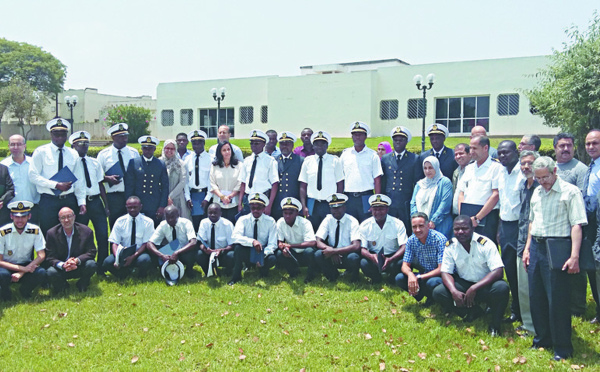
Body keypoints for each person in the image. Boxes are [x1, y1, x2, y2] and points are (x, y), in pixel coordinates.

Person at [523, 156, 587, 361]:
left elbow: (577, 224)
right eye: (539, 178)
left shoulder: (570, 192)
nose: (543, 181)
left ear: (555, 171)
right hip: (536, 247)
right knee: (537, 297)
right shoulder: (537, 192)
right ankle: (542, 339)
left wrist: (574, 256)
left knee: (557, 301)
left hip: (558, 248)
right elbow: (532, 222)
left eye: (546, 177)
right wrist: (527, 249)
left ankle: (562, 347)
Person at [432, 216, 509, 336]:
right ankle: (472, 312)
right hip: (465, 283)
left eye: (464, 228)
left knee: (502, 288)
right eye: (457, 229)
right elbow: (445, 272)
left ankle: (495, 324)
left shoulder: (485, 244)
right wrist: (454, 292)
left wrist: (475, 288)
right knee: (439, 292)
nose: (460, 232)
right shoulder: (450, 246)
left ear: (472, 228)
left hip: (485, 284)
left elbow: (498, 271)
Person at [29, 118, 86, 236]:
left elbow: (79, 180)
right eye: (56, 134)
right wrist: (55, 185)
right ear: (51, 134)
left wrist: (81, 202)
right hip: (49, 200)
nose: (59, 137)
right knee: (48, 233)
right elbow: (33, 176)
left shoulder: (73, 153)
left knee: (70, 234)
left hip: (69, 199)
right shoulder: (41, 152)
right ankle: (50, 255)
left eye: (63, 134)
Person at [69, 131, 110, 273]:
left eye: (86, 143)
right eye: (81, 144)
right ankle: (79, 266)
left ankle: (102, 266)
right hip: (79, 203)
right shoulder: (71, 164)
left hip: (95, 202)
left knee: (103, 234)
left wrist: (106, 205)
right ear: (73, 145)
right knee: (80, 236)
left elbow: (100, 184)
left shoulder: (94, 162)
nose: (84, 146)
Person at [496, 140, 523, 324]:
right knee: (510, 271)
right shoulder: (501, 173)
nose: (503, 156)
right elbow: (502, 204)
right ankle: (516, 310)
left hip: (520, 227)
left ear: (516, 152)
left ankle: (527, 311)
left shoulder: (523, 173)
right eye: (500, 153)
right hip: (505, 227)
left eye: (506, 152)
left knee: (523, 272)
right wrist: (499, 228)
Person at [457, 135, 502, 242]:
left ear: (485, 148)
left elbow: (495, 195)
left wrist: (477, 218)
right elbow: (461, 193)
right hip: (468, 216)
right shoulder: (469, 168)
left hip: (487, 217)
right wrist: (463, 217)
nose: (471, 151)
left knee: (486, 250)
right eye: (470, 148)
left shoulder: (495, 167)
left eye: (475, 148)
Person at [395, 212, 446, 304]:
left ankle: (434, 298)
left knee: (432, 282)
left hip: (441, 276)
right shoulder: (411, 240)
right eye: (414, 227)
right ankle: (422, 294)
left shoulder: (439, 239)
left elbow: (441, 269)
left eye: (421, 226)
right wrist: (411, 275)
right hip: (424, 274)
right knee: (400, 278)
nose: (417, 230)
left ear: (428, 225)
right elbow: (405, 265)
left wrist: (418, 277)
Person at [96, 123, 140, 228]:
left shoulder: (133, 153)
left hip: (131, 194)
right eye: (121, 137)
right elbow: (96, 177)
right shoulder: (103, 155)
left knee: (133, 226)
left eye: (125, 136)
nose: (124, 139)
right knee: (115, 226)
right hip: (114, 196)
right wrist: (107, 178)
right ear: (113, 137)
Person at [228, 193, 277, 285]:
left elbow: (273, 244)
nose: (255, 211)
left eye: (258, 208)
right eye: (253, 208)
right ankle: (236, 277)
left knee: (272, 259)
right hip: (248, 250)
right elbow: (235, 237)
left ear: (264, 208)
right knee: (238, 248)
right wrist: (252, 241)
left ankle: (262, 271)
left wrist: (262, 256)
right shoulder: (243, 219)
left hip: (263, 251)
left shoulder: (270, 221)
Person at [0, 201, 46, 300]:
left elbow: (41, 255)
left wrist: (24, 271)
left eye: (23, 216)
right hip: (7, 265)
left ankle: (25, 290)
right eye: (16, 217)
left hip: (26, 264)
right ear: (11, 216)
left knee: (41, 273)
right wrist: (22, 269)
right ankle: (5, 292)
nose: (20, 220)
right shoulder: (3, 232)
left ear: (29, 216)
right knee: (2, 275)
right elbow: (0, 261)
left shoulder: (35, 230)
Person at [45, 207, 97, 293]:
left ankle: (82, 283)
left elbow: (91, 251)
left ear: (74, 217)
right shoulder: (51, 233)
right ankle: (62, 286)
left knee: (91, 264)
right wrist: (63, 265)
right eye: (63, 217)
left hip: (78, 266)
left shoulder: (86, 231)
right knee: (51, 272)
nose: (66, 220)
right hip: (62, 268)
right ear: (59, 219)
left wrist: (76, 261)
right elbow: (50, 257)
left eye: (69, 216)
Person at [298, 131, 344, 230]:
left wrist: (337, 203)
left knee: (329, 231)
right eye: (317, 144)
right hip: (312, 203)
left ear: (327, 146)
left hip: (329, 203)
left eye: (323, 144)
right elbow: (303, 185)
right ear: (313, 146)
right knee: (312, 230)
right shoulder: (308, 161)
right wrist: (304, 205)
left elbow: (340, 184)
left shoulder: (335, 161)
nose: (320, 147)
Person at [515, 150, 539, 335]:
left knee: (534, 288)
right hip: (521, 241)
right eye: (523, 163)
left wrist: (528, 248)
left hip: (535, 245)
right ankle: (528, 324)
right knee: (523, 287)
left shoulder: (541, 187)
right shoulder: (524, 185)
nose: (526, 167)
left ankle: (536, 326)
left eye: (530, 163)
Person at [359, 194, 407, 284]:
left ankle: (391, 279)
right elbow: (362, 249)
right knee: (364, 263)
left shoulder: (398, 223)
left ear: (387, 209)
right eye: (375, 209)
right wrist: (371, 256)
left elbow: (404, 246)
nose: (378, 212)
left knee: (402, 263)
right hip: (374, 256)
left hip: (393, 256)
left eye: (381, 209)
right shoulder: (365, 225)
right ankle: (376, 279)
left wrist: (391, 258)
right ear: (371, 209)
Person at [102, 196, 154, 279]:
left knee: (145, 260)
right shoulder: (120, 221)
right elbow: (114, 243)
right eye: (129, 207)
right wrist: (117, 258)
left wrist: (133, 257)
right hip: (123, 253)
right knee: (107, 262)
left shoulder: (148, 222)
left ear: (141, 207)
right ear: (126, 207)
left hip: (139, 253)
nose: (132, 209)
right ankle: (123, 274)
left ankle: (141, 275)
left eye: (135, 207)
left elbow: (145, 244)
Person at [340, 121, 383, 222]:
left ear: (365, 136)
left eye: (360, 135)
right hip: (349, 197)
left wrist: (376, 202)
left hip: (366, 197)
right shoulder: (345, 154)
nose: (357, 137)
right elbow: (340, 178)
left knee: (366, 226)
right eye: (355, 135)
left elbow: (377, 180)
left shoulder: (372, 155)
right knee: (350, 227)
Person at [381, 126, 420, 234]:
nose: (398, 142)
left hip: (405, 202)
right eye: (395, 140)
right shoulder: (385, 158)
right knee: (389, 230)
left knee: (406, 229)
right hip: (390, 201)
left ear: (406, 141)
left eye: (401, 140)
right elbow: (383, 182)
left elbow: (417, 183)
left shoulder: (414, 159)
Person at [314, 193, 361, 282]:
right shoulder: (328, 219)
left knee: (354, 257)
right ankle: (332, 274)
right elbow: (318, 240)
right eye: (333, 208)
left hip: (347, 253)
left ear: (344, 207)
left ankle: (354, 278)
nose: (335, 210)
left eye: (338, 207)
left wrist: (335, 251)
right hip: (331, 254)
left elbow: (356, 246)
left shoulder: (352, 221)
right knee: (318, 254)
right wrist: (329, 249)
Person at [125, 136, 169, 227]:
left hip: (155, 204)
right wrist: (130, 204)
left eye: (150, 148)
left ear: (154, 149)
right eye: (145, 148)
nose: (147, 151)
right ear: (141, 149)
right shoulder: (134, 163)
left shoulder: (160, 164)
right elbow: (129, 185)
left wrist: (162, 206)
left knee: (155, 230)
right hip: (138, 203)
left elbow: (165, 187)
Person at [145, 205, 198, 279]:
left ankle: (189, 270)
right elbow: (150, 243)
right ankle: (162, 270)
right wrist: (162, 255)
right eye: (167, 217)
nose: (170, 220)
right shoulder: (163, 225)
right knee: (153, 251)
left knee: (192, 253)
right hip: (170, 251)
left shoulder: (186, 223)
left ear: (178, 215)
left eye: (172, 217)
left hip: (184, 250)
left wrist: (177, 253)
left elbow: (193, 242)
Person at [237, 130, 279, 216]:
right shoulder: (247, 161)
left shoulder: (270, 161)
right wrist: (240, 202)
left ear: (264, 144)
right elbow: (243, 183)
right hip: (248, 198)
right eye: (251, 143)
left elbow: (275, 184)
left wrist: (269, 205)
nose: (253, 146)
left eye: (257, 143)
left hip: (263, 198)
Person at [410, 156, 453, 239]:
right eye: (425, 168)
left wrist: (433, 221)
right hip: (420, 226)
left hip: (439, 225)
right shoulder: (420, 184)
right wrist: (417, 220)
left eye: (430, 168)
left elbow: (445, 204)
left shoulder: (444, 182)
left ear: (436, 167)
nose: (427, 171)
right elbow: (413, 203)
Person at [275, 197, 317, 283]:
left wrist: (290, 245)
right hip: (292, 253)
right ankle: (294, 272)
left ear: (297, 213)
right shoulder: (280, 222)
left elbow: (312, 243)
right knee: (279, 253)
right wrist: (284, 248)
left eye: (291, 213)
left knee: (310, 251)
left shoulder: (305, 223)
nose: (287, 216)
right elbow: (280, 242)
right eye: (285, 213)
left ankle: (311, 274)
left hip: (304, 251)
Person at [1, 134, 40, 225]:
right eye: (12, 144)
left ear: (24, 146)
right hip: (10, 210)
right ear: (8, 146)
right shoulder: (3, 165)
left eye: (19, 144)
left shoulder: (34, 163)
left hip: (32, 208)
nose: (16, 147)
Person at [184, 130, 213, 230]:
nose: (197, 145)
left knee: (207, 223)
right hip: (193, 196)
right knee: (195, 223)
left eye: (199, 142)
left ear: (204, 143)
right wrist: (187, 198)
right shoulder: (187, 159)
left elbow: (212, 181)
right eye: (194, 143)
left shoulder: (211, 159)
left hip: (206, 194)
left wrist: (207, 198)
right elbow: (186, 181)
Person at [272, 131, 304, 222]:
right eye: (282, 144)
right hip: (277, 204)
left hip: (294, 202)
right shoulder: (274, 161)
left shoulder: (300, 161)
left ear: (292, 145)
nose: (284, 146)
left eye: (287, 144)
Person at [197, 203, 235, 276]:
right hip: (209, 252)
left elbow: (232, 245)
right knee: (199, 254)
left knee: (232, 255)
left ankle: (228, 271)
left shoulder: (228, 224)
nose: (212, 215)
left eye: (215, 213)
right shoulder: (203, 222)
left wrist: (221, 250)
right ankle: (208, 272)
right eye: (210, 213)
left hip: (223, 252)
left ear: (220, 213)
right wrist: (205, 249)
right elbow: (201, 242)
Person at [209, 141, 241, 223]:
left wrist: (230, 196)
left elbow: (240, 183)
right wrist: (222, 197)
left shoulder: (239, 165)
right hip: (218, 204)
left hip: (234, 203)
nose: (227, 152)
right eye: (224, 150)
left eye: (228, 149)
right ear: (220, 152)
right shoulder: (214, 166)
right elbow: (212, 183)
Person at [160, 139, 191, 220]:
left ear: (176, 150)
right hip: (162, 198)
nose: (169, 151)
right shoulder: (158, 162)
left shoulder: (180, 164)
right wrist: (165, 198)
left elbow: (182, 182)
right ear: (164, 148)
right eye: (167, 148)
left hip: (177, 198)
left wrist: (170, 197)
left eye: (172, 149)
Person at [452, 143, 470, 216]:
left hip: (468, 214)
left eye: (461, 153)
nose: (458, 156)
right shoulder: (456, 172)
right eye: (456, 154)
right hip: (456, 213)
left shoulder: (473, 171)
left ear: (470, 154)